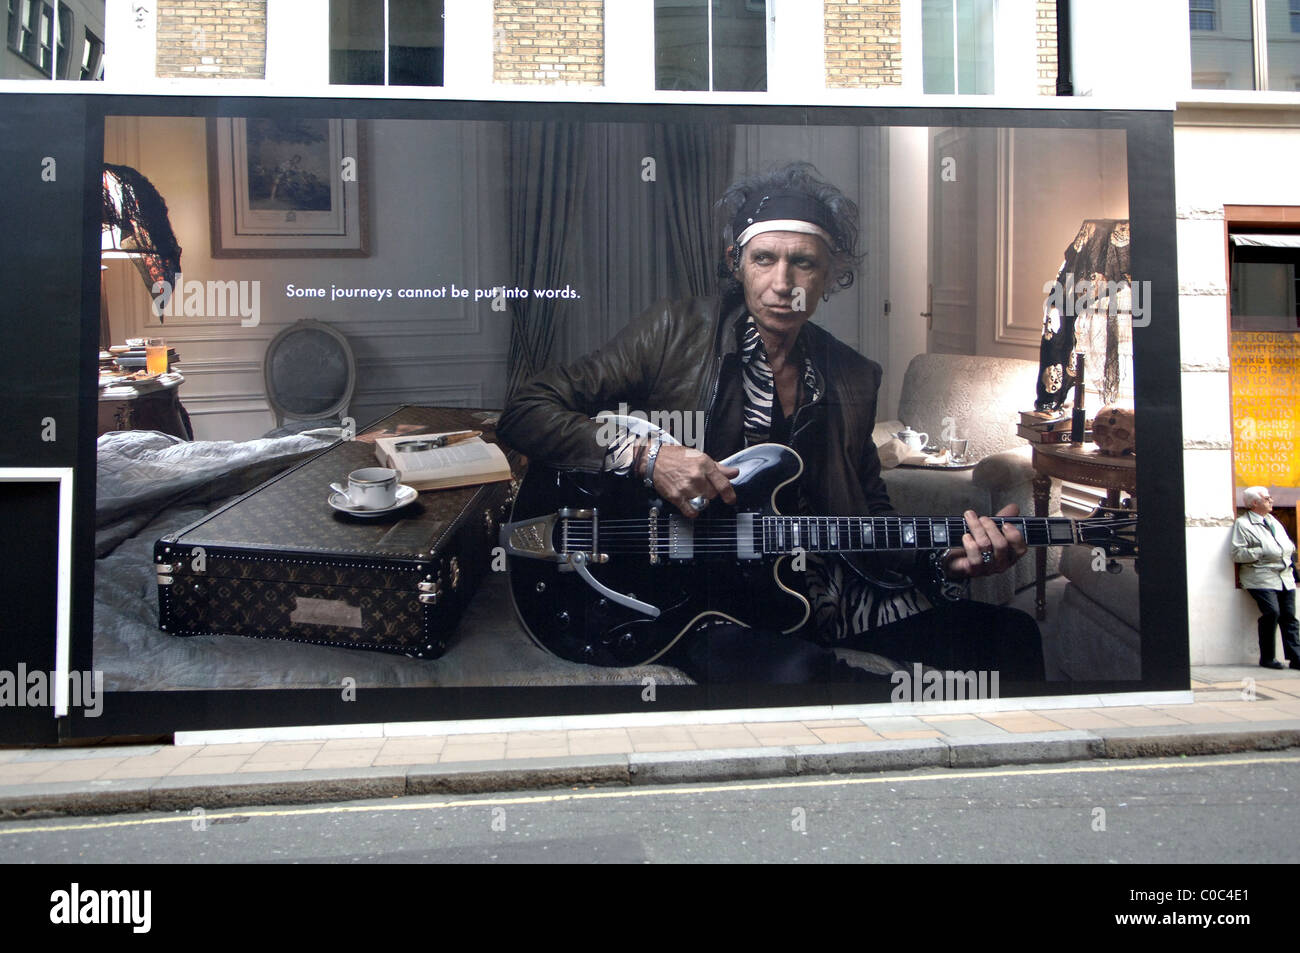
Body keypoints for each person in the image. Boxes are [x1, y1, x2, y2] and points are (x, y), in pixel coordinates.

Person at [499, 162, 1043, 686]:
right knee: (794, 673)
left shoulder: (853, 376)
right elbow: (526, 411)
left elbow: (869, 511)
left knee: (1010, 638)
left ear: (833, 274)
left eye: (804, 263)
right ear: (737, 262)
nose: (783, 282)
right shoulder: (674, 332)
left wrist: (942, 560)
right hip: (689, 592)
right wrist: (647, 457)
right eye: (764, 259)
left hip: (814, 586)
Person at [1231, 485, 1300, 670]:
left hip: (1285, 576)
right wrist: (1262, 551)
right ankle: (1267, 657)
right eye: (1267, 498)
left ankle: (1296, 657)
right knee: (1272, 613)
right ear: (1255, 503)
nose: (1271, 501)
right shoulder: (1243, 524)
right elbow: (1237, 553)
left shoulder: (1273, 521)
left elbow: (1286, 546)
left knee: (1289, 617)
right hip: (1260, 576)